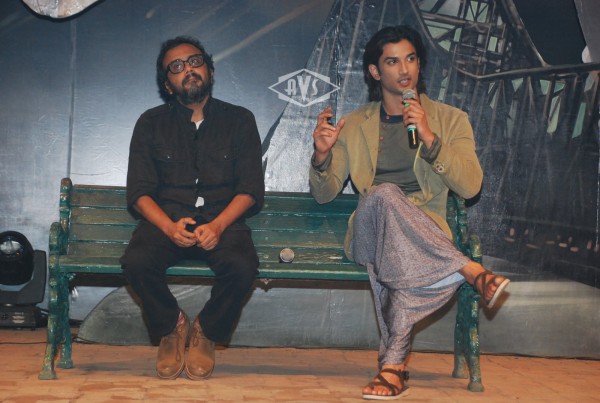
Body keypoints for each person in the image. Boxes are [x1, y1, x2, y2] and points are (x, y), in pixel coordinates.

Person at [309, 25, 510, 400]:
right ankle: (467, 270)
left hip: (424, 234)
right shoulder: (354, 124)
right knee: (384, 193)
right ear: (375, 71)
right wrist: (321, 156)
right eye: (392, 61)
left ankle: (393, 367)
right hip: (370, 230)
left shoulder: (451, 119)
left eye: (411, 59)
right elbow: (324, 194)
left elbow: (471, 187)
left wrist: (430, 140)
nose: (405, 70)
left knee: (400, 263)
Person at [120, 36, 264, 380]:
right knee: (136, 262)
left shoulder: (240, 120)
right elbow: (139, 192)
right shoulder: (150, 123)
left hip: (222, 222)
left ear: (210, 71)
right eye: (177, 66)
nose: (188, 69)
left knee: (242, 266)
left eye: (195, 61)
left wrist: (218, 225)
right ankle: (171, 326)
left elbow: (250, 189)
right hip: (167, 222)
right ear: (167, 84)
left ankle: (207, 331)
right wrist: (169, 227)